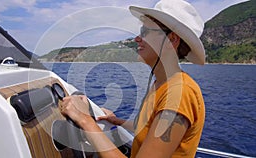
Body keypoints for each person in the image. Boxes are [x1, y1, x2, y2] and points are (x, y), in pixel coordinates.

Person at [59, 0, 206, 157]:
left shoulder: (180, 94)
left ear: (172, 40)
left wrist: (84, 119)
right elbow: (149, 127)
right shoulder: (162, 84)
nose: (137, 38)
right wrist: (117, 120)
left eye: (145, 32)